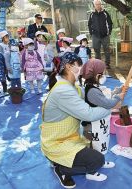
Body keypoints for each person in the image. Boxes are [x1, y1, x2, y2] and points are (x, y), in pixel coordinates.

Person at [41, 52, 113, 188]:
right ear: (69, 66)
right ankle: (61, 169)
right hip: (57, 143)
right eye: (79, 65)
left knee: (94, 146)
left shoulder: (74, 88)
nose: (82, 68)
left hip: (70, 138)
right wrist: (112, 107)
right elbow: (89, 114)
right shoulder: (63, 91)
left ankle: (59, 162)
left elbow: (92, 99)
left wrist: (111, 96)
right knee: (97, 160)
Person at [80, 58, 126, 154]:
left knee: (96, 148)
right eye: (103, 73)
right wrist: (118, 97)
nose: (104, 75)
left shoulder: (93, 86)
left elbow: (105, 96)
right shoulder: (92, 91)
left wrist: (118, 90)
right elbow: (108, 103)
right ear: (97, 75)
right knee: (94, 150)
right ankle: (94, 166)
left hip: (95, 124)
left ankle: (98, 162)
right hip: (92, 127)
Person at [88, 0, 113, 69]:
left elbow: (110, 23)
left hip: (105, 36)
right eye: (96, 4)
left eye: (99, 4)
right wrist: (91, 33)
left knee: (107, 50)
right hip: (95, 36)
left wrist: (109, 33)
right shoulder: (92, 14)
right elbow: (89, 24)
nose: (98, 5)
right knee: (96, 50)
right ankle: (98, 64)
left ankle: (107, 64)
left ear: (101, 5)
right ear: (94, 5)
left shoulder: (105, 13)